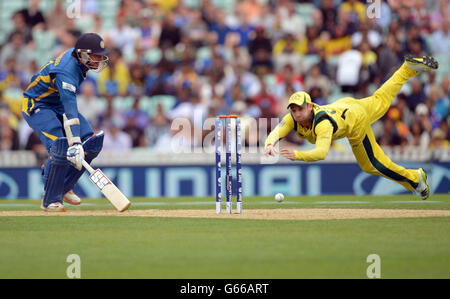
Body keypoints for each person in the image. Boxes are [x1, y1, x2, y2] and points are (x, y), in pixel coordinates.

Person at [264, 55, 439, 200]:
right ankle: (407, 68)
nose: (297, 114)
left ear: (310, 106)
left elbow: (321, 153)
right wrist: (269, 144)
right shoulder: (293, 118)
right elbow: (276, 132)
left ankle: (415, 178)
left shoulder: (323, 124)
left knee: (373, 165)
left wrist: (298, 155)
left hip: (355, 121)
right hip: (346, 105)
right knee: (382, 98)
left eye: (300, 109)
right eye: (293, 110)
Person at [22, 33, 109, 212]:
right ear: (82, 54)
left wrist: (80, 142)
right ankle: (50, 201)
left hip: (58, 102)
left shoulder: (78, 60)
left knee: (92, 143)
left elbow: (67, 106)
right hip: (38, 104)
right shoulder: (66, 72)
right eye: (95, 55)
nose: (99, 59)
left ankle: (63, 186)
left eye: (101, 55)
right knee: (60, 146)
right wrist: (75, 142)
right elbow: (70, 109)